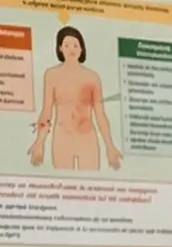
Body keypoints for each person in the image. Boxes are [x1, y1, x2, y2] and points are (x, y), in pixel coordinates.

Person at [27, 26, 121, 171]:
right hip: (62, 137)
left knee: (90, 186)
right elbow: (47, 111)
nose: (72, 49)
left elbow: (100, 114)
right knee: (64, 186)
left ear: (82, 49)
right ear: (60, 48)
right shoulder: (52, 75)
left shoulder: (92, 77)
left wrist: (110, 147)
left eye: (76, 45)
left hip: (87, 138)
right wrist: (39, 142)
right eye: (67, 45)